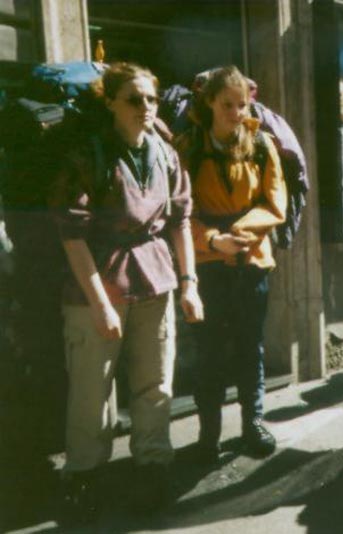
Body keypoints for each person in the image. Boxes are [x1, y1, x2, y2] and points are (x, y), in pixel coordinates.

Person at [50, 62, 203, 522]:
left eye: (151, 99)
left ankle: (153, 466)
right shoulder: (87, 155)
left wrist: (190, 283)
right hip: (99, 284)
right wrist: (99, 304)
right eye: (134, 99)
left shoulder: (165, 153)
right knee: (91, 392)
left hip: (155, 281)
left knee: (156, 384)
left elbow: (180, 221)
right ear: (111, 101)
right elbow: (71, 234)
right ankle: (84, 477)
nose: (145, 108)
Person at [175, 66, 288, 463]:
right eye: (228, 104)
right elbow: (180, 211)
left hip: (251, 260)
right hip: (207, 263)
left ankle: (252, 423)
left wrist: (235, 237)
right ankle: (209, 434)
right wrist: (211, 241)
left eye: (242, 104)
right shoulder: (187, 146)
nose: (237, 113)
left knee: (249, 348)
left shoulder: (261, 145)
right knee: (208, 351)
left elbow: (275, 204)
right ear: (209, 103)